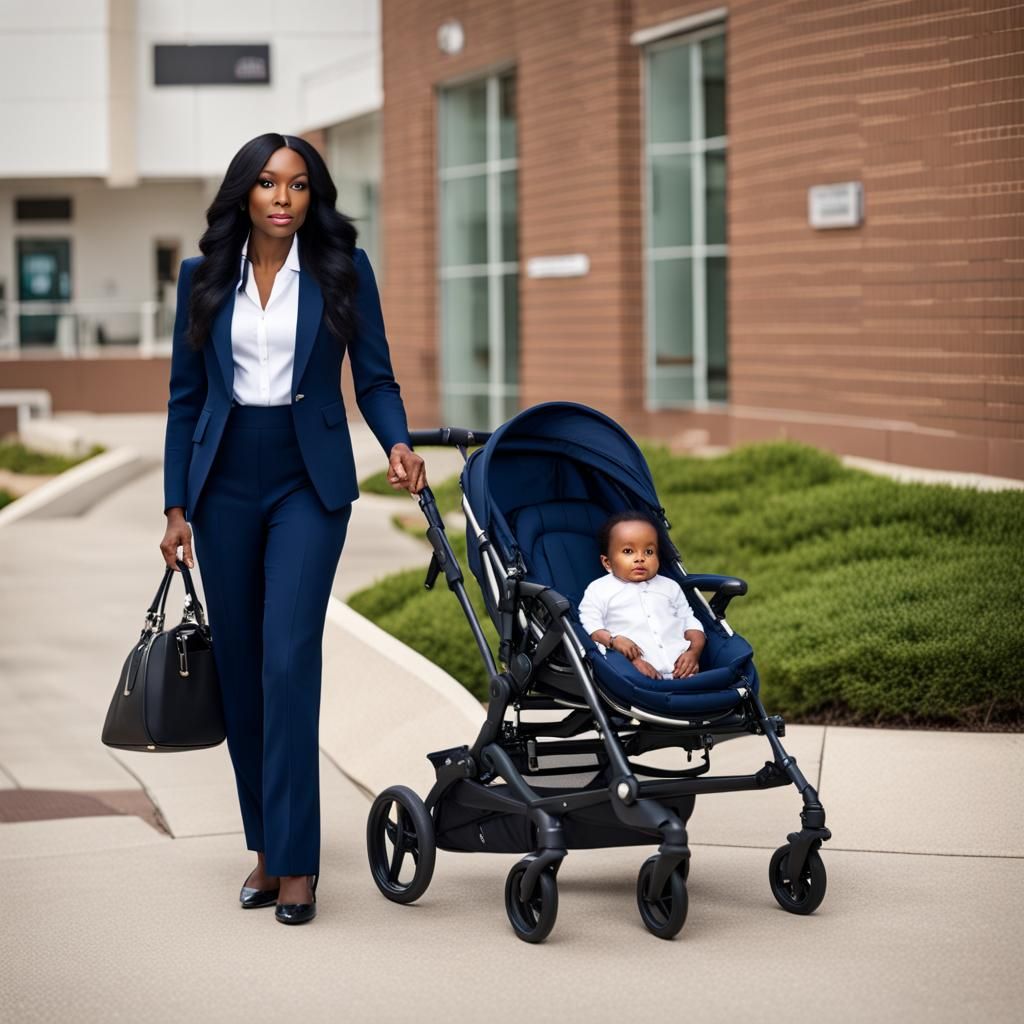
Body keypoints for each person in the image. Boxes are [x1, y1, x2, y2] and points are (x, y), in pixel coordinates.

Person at [159, 132, 426, 925]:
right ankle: (267, 848)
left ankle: (300, 863)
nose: (284, 197)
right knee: (240, 668)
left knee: (287, 661)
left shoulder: (344, 271)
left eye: (299, 184)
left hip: (309, 480)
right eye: (270, 183)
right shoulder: (201, 278)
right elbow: (183, 396)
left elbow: (373, 377)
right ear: (245, 191)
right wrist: (176, 506)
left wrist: (399, 440)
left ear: (314, 196)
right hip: (225, 480)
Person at [578, 511, 704, 680]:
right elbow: (590, 625)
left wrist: (693, 653)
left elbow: (690, 621)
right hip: (632, 672)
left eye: (649, 552)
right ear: (607, 562)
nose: (640, 558)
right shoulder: (599, 589)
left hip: (682, 671)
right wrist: (614, 640)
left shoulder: (669, 587)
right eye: (628, 551)